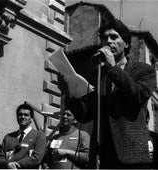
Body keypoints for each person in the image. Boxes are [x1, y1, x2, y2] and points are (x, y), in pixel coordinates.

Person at [58, 18, 157, 169]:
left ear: (126, 43)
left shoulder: (143, 70)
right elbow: (85, 115)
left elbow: (138, 96)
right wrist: (69, 93)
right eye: (104, 38)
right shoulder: (97, 75)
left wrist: (113, 67)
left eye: (114, 37)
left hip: (131, 154)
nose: (108, 41)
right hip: (102, 154)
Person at [0, 103, 46, 169]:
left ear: (31, 118)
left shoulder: (39, 136)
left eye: (26, 115)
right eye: (20, 115)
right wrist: (7, 164)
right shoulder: (8, 137)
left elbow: (37, 158)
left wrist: (16, 165)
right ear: (17, 118)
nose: (22, 117)